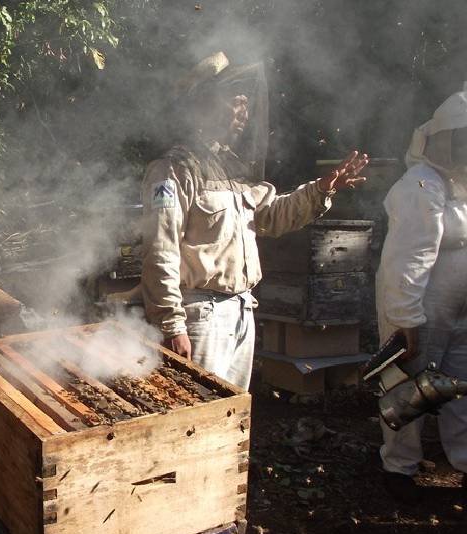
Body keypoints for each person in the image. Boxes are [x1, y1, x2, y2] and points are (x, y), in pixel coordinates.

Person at [140, 51, 368, 389]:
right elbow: (161, 251)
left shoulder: (234, 170)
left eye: (246, 102)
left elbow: (272, 216)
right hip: (201, 316)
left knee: (231, 421)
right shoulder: (172, 171)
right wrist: (172, 325)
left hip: (241, 310)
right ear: (204, 105)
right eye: (236, 101)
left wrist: (321, 190)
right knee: (199, 419)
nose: (244, 112)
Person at [375, 84, 467, 504]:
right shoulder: (421, 187)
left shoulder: (458, 184)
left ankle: (463, 461)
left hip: (459, 309)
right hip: (421, 308)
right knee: (410, 387)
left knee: (458, 388)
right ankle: (398, 468)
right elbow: (406, 263)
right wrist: (405, 320)